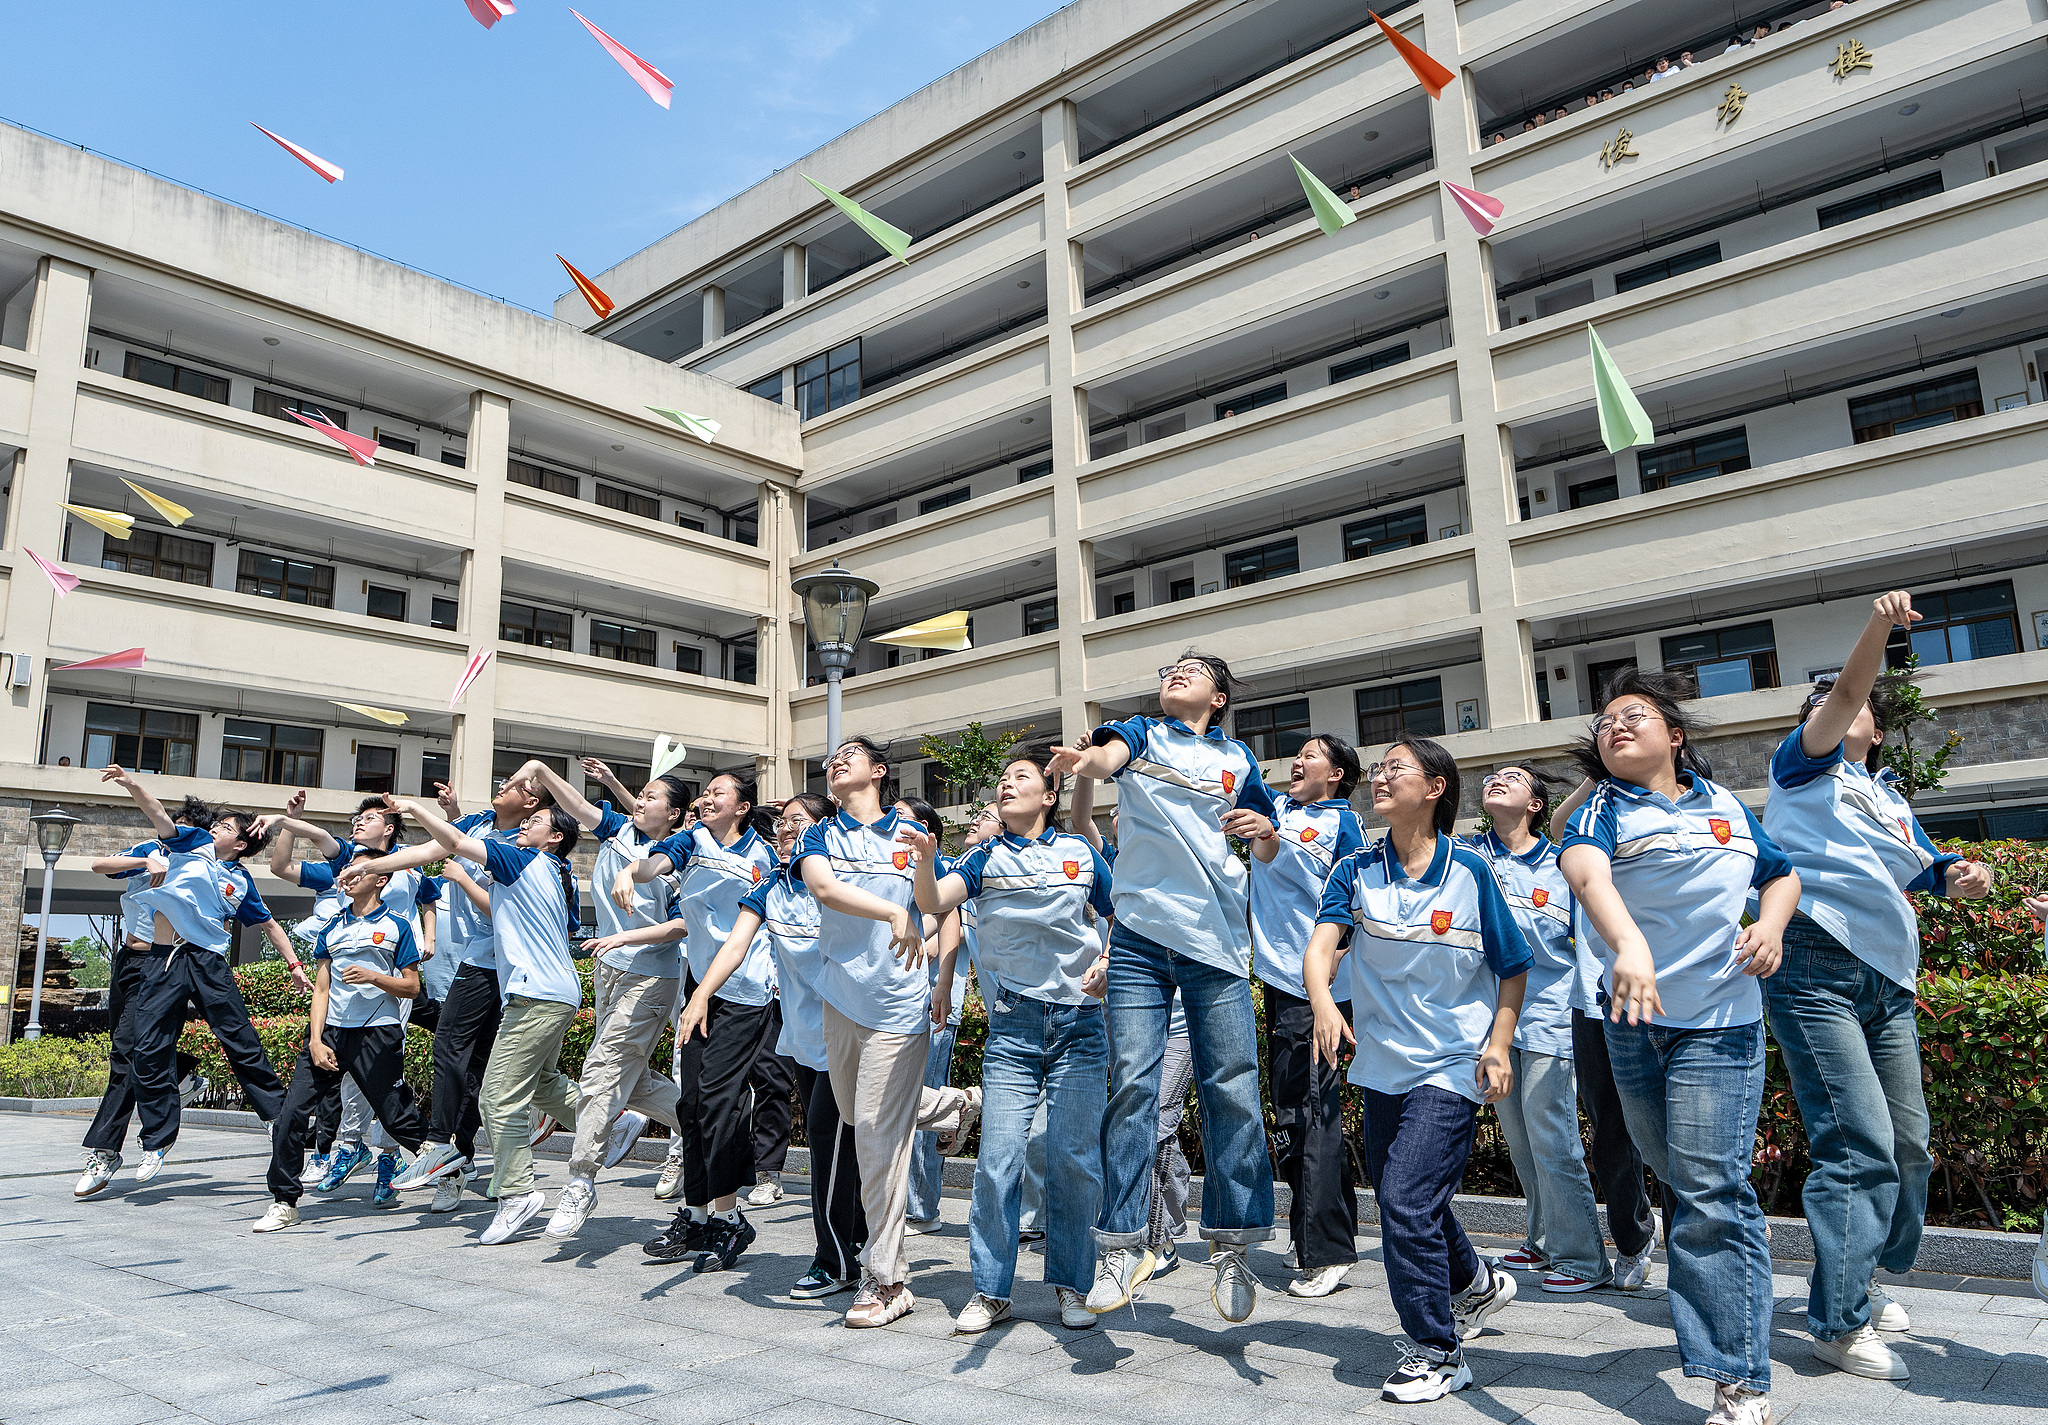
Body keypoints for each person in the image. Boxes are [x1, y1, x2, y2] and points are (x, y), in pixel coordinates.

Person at [1763, 592, 1994, 1380]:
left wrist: (1966, 878)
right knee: (1857, 1143)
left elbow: (1933, 872)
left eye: (1845, 703)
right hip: (1813, 967)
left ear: (1881, 735)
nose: (1832, 707)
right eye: (1823, 701)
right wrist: (1879, 628)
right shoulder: (1803, 764)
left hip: (1887, 980)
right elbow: (1854, 691)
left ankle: (1857, 1273)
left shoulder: (1891, 799)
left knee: (1909, 1147)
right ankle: (1836, 1319)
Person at [1558, 669, 1798, 1425]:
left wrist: (1772, 924)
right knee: (1678, 1173)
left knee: (1709, 1191)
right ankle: (1730, 1245)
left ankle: (1738, 1378)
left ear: (1676, 733)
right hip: (1630, 1020)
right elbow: (1583, 868)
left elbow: (1782, 873)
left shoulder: (1724, 804)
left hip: (1721, 1021)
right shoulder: (1601, 806)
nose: (1616, 726)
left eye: (1634, 716)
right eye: (1605, 722)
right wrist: (1626, 943)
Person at [1047, 653, 1277, 1325]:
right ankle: (1122, 1245)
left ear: (1220, 695)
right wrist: (1084, 762)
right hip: (1142, 940)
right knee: (1133, 1091)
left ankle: (1232, 1244)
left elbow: (1264, 846)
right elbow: (1104, 758)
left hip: (1217, 941)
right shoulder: (1142, 731)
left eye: (1194, 669)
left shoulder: (1240, 762)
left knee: (1232, 1087)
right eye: (1170, 668)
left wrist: (1263, 831)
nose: (1176, 673)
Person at [1303, 738, 1530, 1403]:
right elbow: (1321, 950)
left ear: (1435, 787)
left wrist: (1498, 1044)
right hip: (1382, 1067)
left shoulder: (1472, 873)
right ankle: (1475, 1283)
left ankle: (1436, 1349)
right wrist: (1322, 1000)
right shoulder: (1354, 868)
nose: (1381, 776)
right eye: (1379, 768)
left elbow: (1512, 967)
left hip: (1454, 1061)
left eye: (1396, 768)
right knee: (1414, 1196)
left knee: (1402, 1196)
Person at [904, 751, 1113, 1334]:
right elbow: (931, 902)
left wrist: (1106, 958)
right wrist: (923, 860)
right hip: (1014, 1027)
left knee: (1073, 1161)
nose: (1005, 783)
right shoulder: (983, 857)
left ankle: (1073, 1284)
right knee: (999, 1160)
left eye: (1020, 777)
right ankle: (991, 1290)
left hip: (1080, 1026)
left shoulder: (1081, 854)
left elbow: (1125, 915)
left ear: (1049, 796)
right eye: (1002, 778)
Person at [793, 735, 975, 1327]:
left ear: (878, 770)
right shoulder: (821, 833)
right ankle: (951, 1105)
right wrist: (891, 911)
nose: (834, 762)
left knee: (875, 1134)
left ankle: (887, 1278)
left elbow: (943, 905)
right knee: (857, 1115)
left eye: (848, 754)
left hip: (899, 1005)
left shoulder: (909, 833)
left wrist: (944, 977)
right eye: (830, 758)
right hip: (841, 1000)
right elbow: (823, 888)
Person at [479, 758, 691, 1241]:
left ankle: (580, 1181)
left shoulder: (679, 856)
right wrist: (538, 769)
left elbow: (681, 926)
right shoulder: (619, 830)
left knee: (600, 1072)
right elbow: (575, 806)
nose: (642, 800)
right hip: (608, 971)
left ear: (675, 814)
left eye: (654, 797)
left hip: (650, 976)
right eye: (641, 793)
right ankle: (709, 1126)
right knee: (629, 1082)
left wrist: (625, 939)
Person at [684, 793, 868, 1294]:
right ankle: (858, 1242)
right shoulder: (770, 889)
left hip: (850, 1033)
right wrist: (701, 993)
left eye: (800, 823)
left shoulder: (840, 885)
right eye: (782, 824)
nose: (787, 831)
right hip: (804, 1040)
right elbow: (736, 944)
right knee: (838, 1147)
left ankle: (834, 1260)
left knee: (834, 1147)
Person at [74, 804, 302, 1198]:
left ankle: (107, 1149)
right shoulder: (164, 849)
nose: (212, 830)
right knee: (133, 1049)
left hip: (173, 960)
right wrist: (145, 858)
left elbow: (266, 921)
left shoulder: (228, 873)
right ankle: (180, 1075)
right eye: (211, 825)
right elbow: (103, 865)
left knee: (128, 1054)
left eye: (222, 827)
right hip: (132, 961)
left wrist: (295, 963)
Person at [389, 789, 585, 1245]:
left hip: (537, 996)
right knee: (539, 1084)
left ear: (553, 837)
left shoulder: (524, 861)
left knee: (496, 1097)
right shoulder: (553, 871)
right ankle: (611, 1121)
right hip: (547, 993)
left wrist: (416, 810)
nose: (525, 824)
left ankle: (517, 1194)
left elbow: (455, 843)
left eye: (535, 821)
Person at [1469, 767, 1625, 1293]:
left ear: (1536, 804)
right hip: (1489, 1025)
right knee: (1520, 1140)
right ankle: (1542, 1238)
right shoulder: (1471, 857)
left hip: (1548, 1017)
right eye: (1494, 777)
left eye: (1512, 779)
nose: (1497, 780)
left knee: (1553, 1139)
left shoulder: (1562, 864)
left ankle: (1583, 1258)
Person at [620, 771, 780, 1271]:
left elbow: (746, 935)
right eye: (705, 793)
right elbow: (655, 865)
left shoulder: (763, 856)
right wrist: (631, 872)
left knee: (718, 1103)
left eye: (719, 793)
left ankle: (729, 1219)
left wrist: (705, 994)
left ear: (743, 806)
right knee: (692, 1104)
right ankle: (694, 1215)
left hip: (745, 992)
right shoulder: (692, 839)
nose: (707, 799)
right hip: (700, 989)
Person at [266, 798, 438, 1206]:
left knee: (389, 1105)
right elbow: (290, 862)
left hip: (381, 1013)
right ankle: (289, 1197)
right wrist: (290, 822)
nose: (347, 875)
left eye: (370, 819)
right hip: (334, 1025)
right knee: (296, 1113)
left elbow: (437, 866)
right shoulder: (340, 890)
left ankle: (424, 1159)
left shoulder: (404, 877)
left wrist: (427, 938)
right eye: (356, 820)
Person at [1248, 734, 1366, 1299]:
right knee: (1293, 1112)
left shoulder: (1344, 823)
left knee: (1314, 1109)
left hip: (1318, 990)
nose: (1298, 760)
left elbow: (1356, 898)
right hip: (1278, 982)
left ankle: (1326, 1251)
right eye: (1297, 754)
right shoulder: (1280, 810)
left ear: (1338, 774)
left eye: (1312, 755)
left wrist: (1338, 958)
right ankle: (1321, 1235)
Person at [905, 794, 970, 1235]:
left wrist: (917, 955)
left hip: (931, 1004)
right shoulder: (889, 866)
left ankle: (923, 1207)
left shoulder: (941, 870)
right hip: (896, 1003)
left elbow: (951, 923)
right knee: (907, 1103)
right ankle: (910, 1203)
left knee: (923, 1101)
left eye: (905, 821)